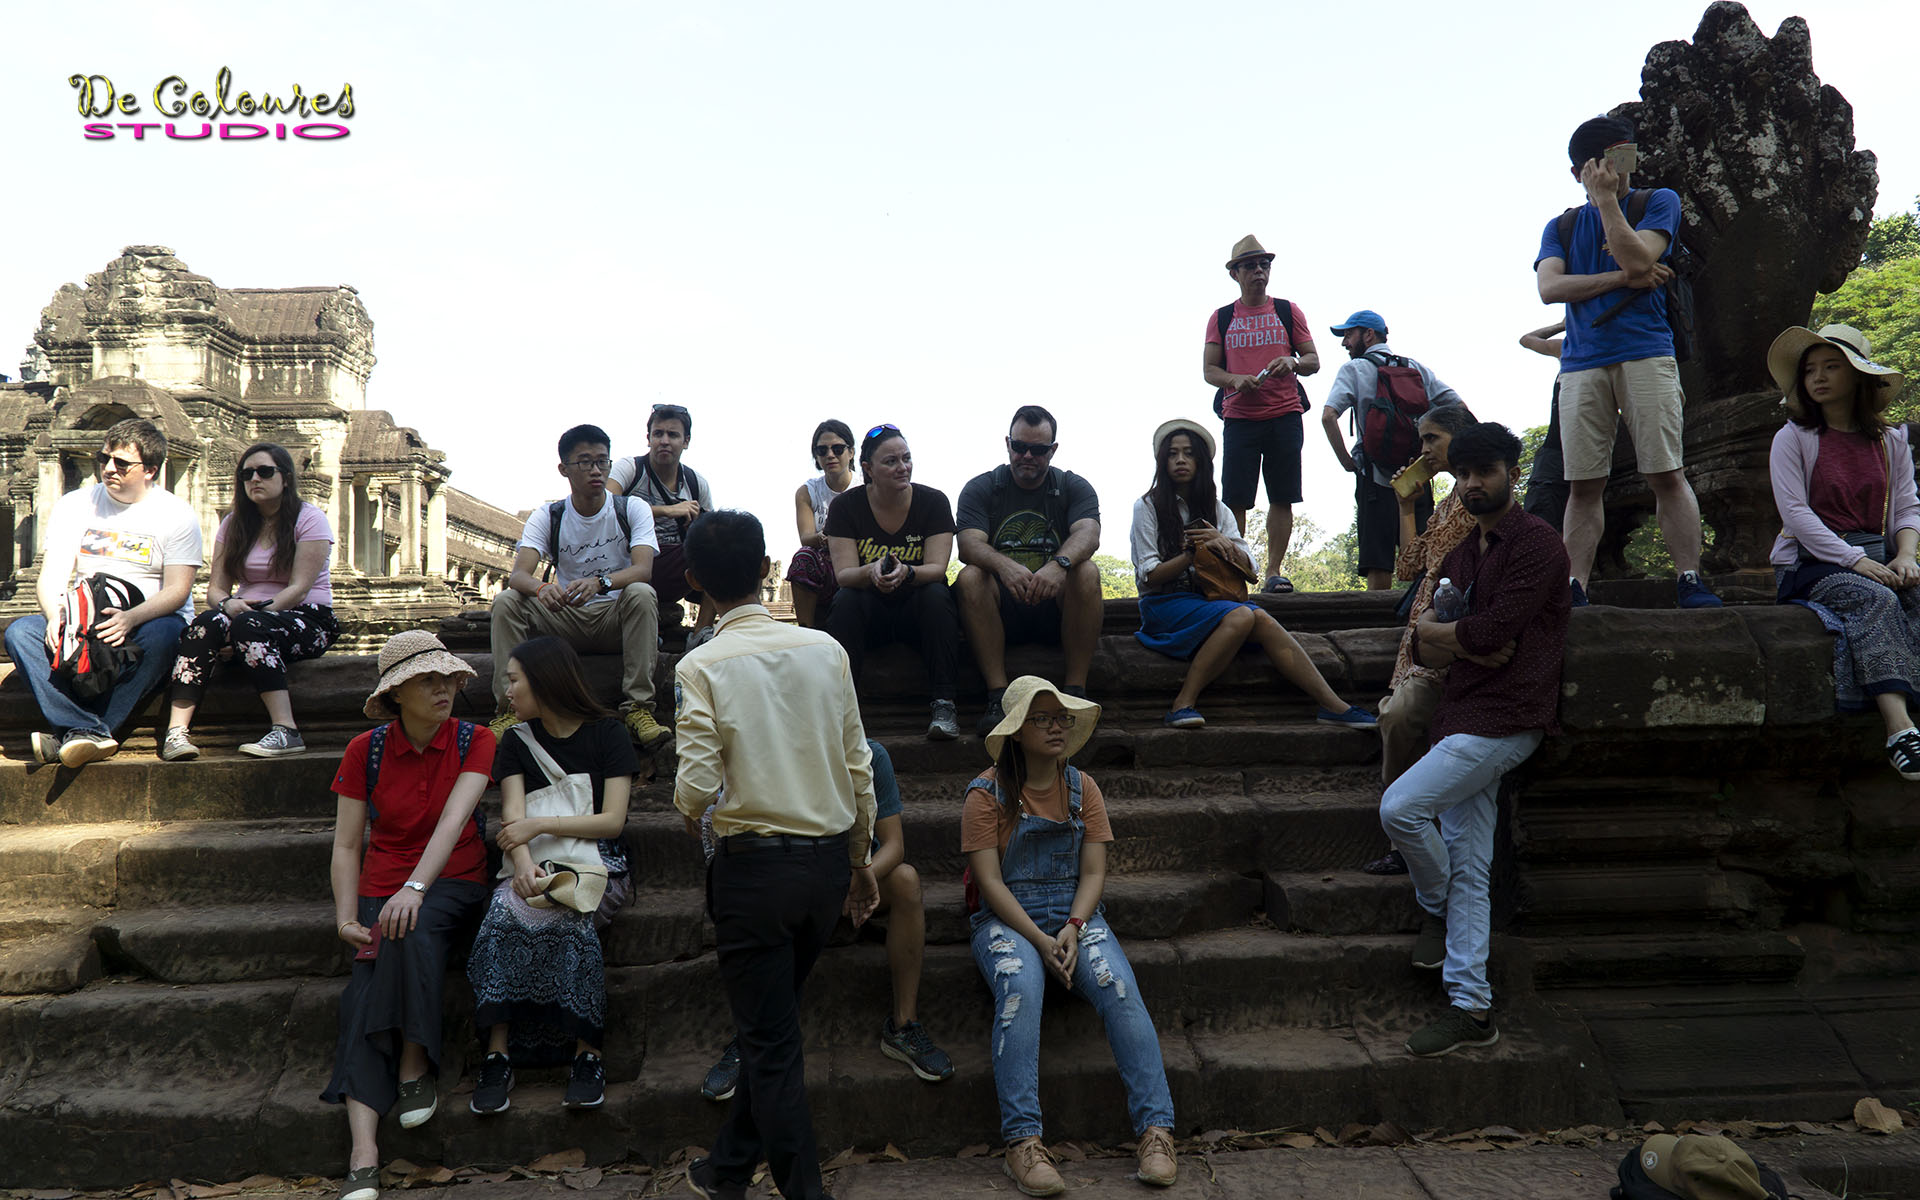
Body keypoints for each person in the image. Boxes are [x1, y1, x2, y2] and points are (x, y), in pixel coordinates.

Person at [674, 509, 880, 1200]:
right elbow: (859, 767)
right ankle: (726, 1168)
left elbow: (698, 784)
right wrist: (859, 861)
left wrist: (685, 810)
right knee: (773, 1028)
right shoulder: (824, 650)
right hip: (823, 868)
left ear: (694, 580)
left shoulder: (701, 664)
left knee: (769, 1043)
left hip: (754, 873)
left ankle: (803, 1192)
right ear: (767, 570)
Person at [1381, 423, 1570, 1058]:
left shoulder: (1538, 545)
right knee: (1469, 862)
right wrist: (1453, 637)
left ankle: (1432, 905)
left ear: (1511, 471)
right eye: (1462, 475)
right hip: (1461, 710)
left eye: (1484, 472)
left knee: (1400, 809)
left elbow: (1496, 630)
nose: (1471, 484)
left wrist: (1453, 635)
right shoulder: (1463, 552)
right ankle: (1471, 1007)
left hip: (1511, 716)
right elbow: (1422, 634)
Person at [964, 675, 1177, 1195]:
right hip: (1008, 921)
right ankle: (1023, 1142)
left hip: (1077, 917)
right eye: (1043, 719)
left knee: (1120, 989)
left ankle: (1157, 1130)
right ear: (1017, 731)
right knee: (1021, 990)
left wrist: (1075, 928)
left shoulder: (1083, 788)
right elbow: (989, 884)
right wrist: (1039, 940)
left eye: (1061, 718)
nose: (1056, 727)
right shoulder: (984, 794)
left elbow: (1094, 873)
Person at [322, 631, 495, 1200]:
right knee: (362, 991)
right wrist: (347, 916)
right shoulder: (364, 750)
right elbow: (348, 845)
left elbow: (454, 822)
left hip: (452, 878)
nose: (444, 688)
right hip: (380, 883)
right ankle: (364, 1148)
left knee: (408, 927)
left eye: (448, 678)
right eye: (428, 680)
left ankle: (413, 1064)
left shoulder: (477, 739)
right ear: (397, 693)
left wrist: (415, 887)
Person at [698, 737, 953, 1105]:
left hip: (860, 879)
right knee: (759, 897)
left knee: (908, 882)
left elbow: (894, 845)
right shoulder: (774, 749)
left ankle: (903, 1025)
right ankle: (750, 1038)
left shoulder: (870, 755)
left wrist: (855, 883)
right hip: (792, 881)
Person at [1535, 115, 1720, 609]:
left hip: (1646, 352)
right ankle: (1575, 587)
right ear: (1585, 169)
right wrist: (1621, 279)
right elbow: (1550, 289)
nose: (1626, 166)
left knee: (1666, 473)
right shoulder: (1562, 226)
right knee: (1583, 484)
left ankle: (1688, 579)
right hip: (1580, 364)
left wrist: (1610, 205)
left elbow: (1642, 259)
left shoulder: (1657, 201)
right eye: (1616, 158)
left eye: (1628, 155)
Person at [466, 636, 637, 1116]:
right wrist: (522, 870)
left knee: (572, 914)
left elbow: (613, 821)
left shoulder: (609, 734)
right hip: (533, 862)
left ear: (544, 682)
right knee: (502, 914)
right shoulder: (517, 742)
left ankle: (588, 1052)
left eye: (515, 680)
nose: (508, 692)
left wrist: (541, 825)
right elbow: (512, 820)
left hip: (597, 860)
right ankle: (497, 1052)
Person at [1129, 418, 1375, 731]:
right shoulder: (1147, 507)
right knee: (1247, 616)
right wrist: (1189, 555)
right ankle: (1183, 703)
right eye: (1173, 454)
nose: (1180, 460)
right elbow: (1148, 576)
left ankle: (1334, 705)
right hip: (1164, 606)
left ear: (1201, 461)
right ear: (1162, 461)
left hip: (1211, 602)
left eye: (1189, 453)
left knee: (1257, 617)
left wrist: (1220, 544)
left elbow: (1251, 571)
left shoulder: (1217, 509)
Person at [1765, 323, 1920, 779]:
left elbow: (1908, 505)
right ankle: (1899, 730)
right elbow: (1795, 513)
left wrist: (1907, 555)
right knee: (1873, 599)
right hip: (1813, 562)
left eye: (1832, 366)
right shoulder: (1792, 438)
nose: (1819, 377)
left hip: (1880, 554)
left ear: (1859, 376)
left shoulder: (1891, 441)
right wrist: (1854, 561)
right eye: (1810, 369)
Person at [5, 418, 201, 768]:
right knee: (22, 633)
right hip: (84, 619)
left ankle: (75, 732)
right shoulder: (75, 504)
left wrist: (130, 618)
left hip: (144, 620)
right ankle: (87, 731)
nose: (109, 469)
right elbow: (51, 575)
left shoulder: (177, 514)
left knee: (170, 631)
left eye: (122, 463)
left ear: (151, 470)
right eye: (104, 458)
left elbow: (178, 590)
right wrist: (55, 616)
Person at [489, 424, 668, 750]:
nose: (596, 470)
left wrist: (602, 583)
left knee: (642, 593)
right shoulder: (550, 515)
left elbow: (643, 569)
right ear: (564, 469)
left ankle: (639, 708)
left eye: (602, 461)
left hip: (614, 616)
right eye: (585, 462)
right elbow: (519, 576)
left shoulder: (631, 508)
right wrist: (543, 589)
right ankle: (508, 710)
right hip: (565, 618)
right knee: (506, 601)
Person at [1363, 404, 1482, 877]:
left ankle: (1405, 832)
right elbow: (1409, 566)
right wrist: (1407, 506)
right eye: (1424, 440)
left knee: (1399, 715)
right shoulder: (1450, 499)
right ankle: (1406, 832)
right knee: (1399, 718)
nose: (1424, 449)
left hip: (1449, 638)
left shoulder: (1477, 497)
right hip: (1418, 635)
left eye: (1432, 439)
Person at [162, 443, 337, 761]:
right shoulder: (234, 523)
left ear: (285, 478)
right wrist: (227, 606)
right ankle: (176, 732)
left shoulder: (310, 519)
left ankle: (286, 730)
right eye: (246, 474)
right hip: (244, 615)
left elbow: (298, 588)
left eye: (264, 471)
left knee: (249, 626)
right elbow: (215, 589)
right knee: (203, 625)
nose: (255, 478)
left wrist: (252, 616)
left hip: (307, 617)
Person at [955, 404, 1102, 736]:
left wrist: (1059, 565)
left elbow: (1088, 534)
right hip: (1002, 610)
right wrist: (1005, 567)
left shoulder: (1072, 486)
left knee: (1087, 571)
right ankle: (998, 697)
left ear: (1052, 450)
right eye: (1020, 447)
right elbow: (967, 545)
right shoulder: (982, 488)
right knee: (969, 577)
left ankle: (1076, 692)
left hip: (1055, 609)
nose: (1027, 456)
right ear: (1008, 444)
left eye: (1037, 450)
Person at [824, 424, 963, 740]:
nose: (903, 467)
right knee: (845, 600)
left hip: (916, 610)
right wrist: (871, 571)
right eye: (891, 461)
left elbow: (937, 568)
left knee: (937, 595)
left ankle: (944, 703)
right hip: (869, 611)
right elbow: (845, 575)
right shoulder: (845, 508)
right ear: (868, 469)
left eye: (907, 458)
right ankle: (842, 706)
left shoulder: (933, 502)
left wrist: (908, 573)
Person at [1202, 235, 1319, 594]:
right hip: (1239, 418)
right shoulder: (1221, 317)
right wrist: (1235, 380)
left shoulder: (1287, 310)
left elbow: (1313, 361)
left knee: (1282, 495)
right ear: (1234, 273)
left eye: (1263, 264)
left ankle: (1272, 571)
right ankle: (1237, 569)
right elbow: (1209, 371)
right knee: (1236, 498)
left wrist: (1293, 362)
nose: (1258, 271)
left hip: (1285, 414)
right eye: (1250, 266)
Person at [1318, 310, 1463, 590]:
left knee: (1378, 561)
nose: (1344, 342)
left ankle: (1378, 626)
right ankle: (1420, 615)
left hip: (1373, 477)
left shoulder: (1354, 369)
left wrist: (1347, 461)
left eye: (1349, 334)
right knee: (1423, 557)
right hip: (1416, 476)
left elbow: (1327, 416)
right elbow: (1457, 406)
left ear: (1368, 334)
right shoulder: (1415, 368)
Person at [610, 402, 716, 639]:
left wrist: (697, 526)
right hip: (625, 561)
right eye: (658, 434)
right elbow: (605, 506)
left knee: (720, 549)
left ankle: (701, 633)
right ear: (648, 438)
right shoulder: (630, 468)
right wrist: (668, 511)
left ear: (686, 441)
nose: (664, 441)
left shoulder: (696, 483)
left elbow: (713, 533)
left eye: (673, 435)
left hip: (672, 565)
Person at [787, 419, 857, 629]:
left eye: (837, 448)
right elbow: (806, 537)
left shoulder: (866, 487)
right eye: (822, 450)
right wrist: (824, 537)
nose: (830, 455)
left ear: (851, 452)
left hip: (860, 557)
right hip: (825, 559)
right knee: (803, 557)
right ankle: (806, 630)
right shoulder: (808, 492)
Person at [1518, 321, 1571, 531]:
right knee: (1540, 529)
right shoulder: (1567, 348)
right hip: (1553, 456)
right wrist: (1563, 325)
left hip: (1581, 453)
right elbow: (1527, 339)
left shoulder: (1609, 351)